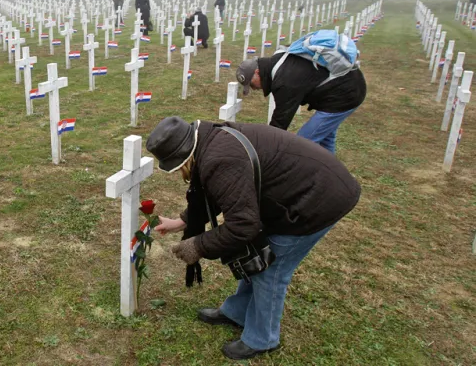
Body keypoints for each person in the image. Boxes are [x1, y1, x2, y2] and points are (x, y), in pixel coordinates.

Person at [146, 116, 361, 361]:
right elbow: (226, 192)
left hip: (318, 198)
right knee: (258, 259)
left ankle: (262, 338)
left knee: (272, 267)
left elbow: (242, 227)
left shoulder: (220, 159)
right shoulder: (210, 139)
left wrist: (198, 245)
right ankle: (237, 312)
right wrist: (183, 221)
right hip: (300, 189)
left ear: (184, 156)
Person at [235, 50, 367, 154]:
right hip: (346, 87)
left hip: (345, 95)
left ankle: (306, 177)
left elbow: (280, 122)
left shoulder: (284, 80)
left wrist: (263, 150)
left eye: (251, 84)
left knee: (303, 144)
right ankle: (332, 173)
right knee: (326, 139)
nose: (254, 88)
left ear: (257, 72)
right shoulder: (278, 61)